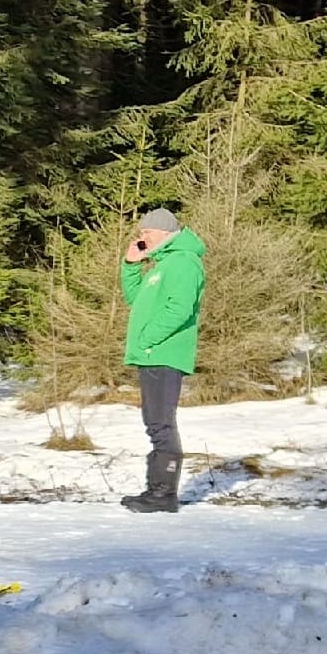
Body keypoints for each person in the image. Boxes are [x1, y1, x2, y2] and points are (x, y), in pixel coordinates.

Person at [119, 208, 204, 514]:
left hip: (163, 353)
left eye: (146, 234)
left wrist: (147, 339)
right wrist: (131, 265)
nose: (141, 238)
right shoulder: (162, 265)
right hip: (153, 353)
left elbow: (180, 309)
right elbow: (136, 300)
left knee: (161, 423)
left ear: (165, 233)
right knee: (155, 422)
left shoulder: (183, 262)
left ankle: (163, 494)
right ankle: (157, 491)